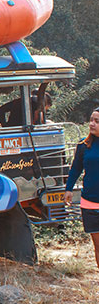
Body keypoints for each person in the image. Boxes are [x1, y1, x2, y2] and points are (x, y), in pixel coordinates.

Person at [64, 107, 99, 269]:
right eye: (91, 120)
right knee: (98, 246)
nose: (92, 124)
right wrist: (68, 189)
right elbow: (76, 169)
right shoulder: (83, 146)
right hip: (89, 203)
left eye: (96, 121)